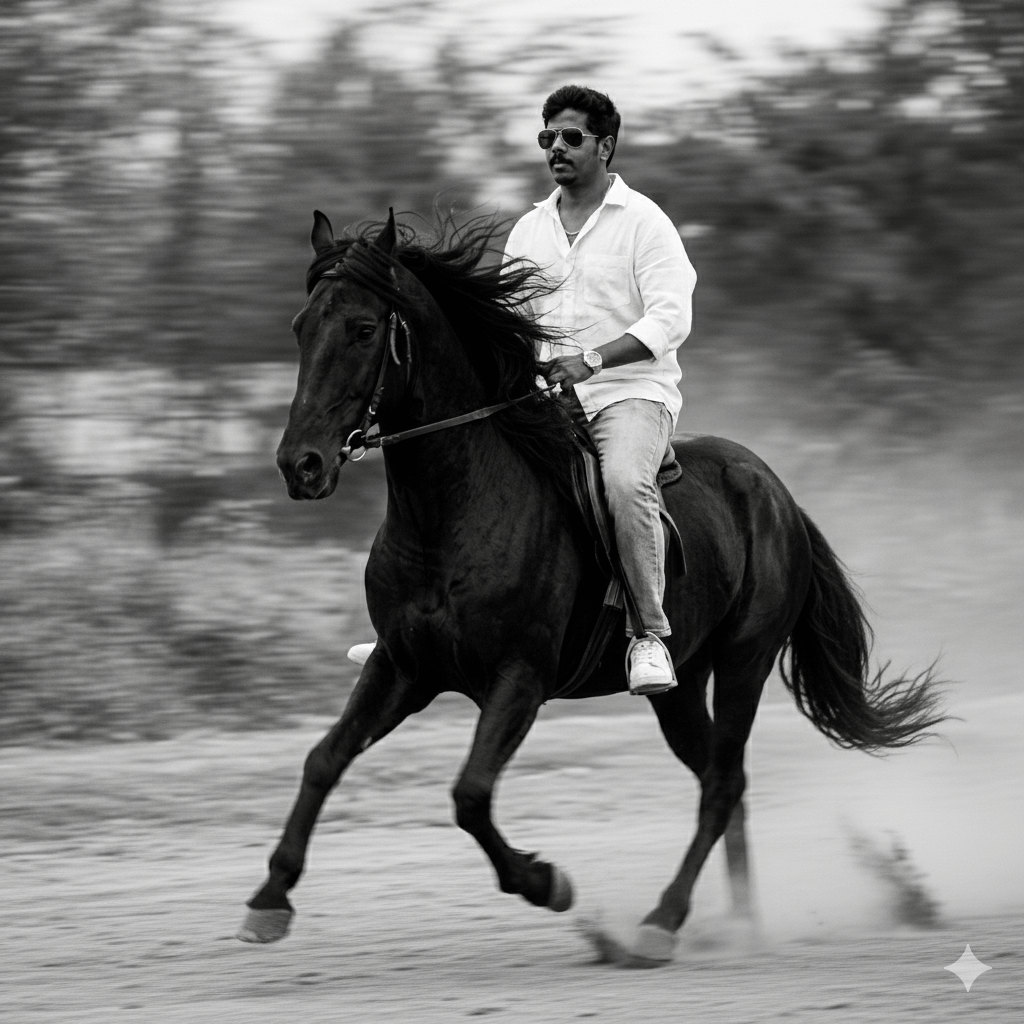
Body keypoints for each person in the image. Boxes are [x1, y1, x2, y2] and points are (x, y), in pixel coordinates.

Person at [503, 84, 697, 696]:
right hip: (547, 399)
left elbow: (670, 320)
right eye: (547, 138)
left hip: (631, 392)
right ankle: (420, 628)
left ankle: (649, 635)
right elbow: (510, 320)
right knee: (463, 466)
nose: (555, 148)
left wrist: (590, 360)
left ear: (605, 146)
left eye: (570, 137)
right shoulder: (529, 231)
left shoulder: (645, 223)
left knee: (621, 482)